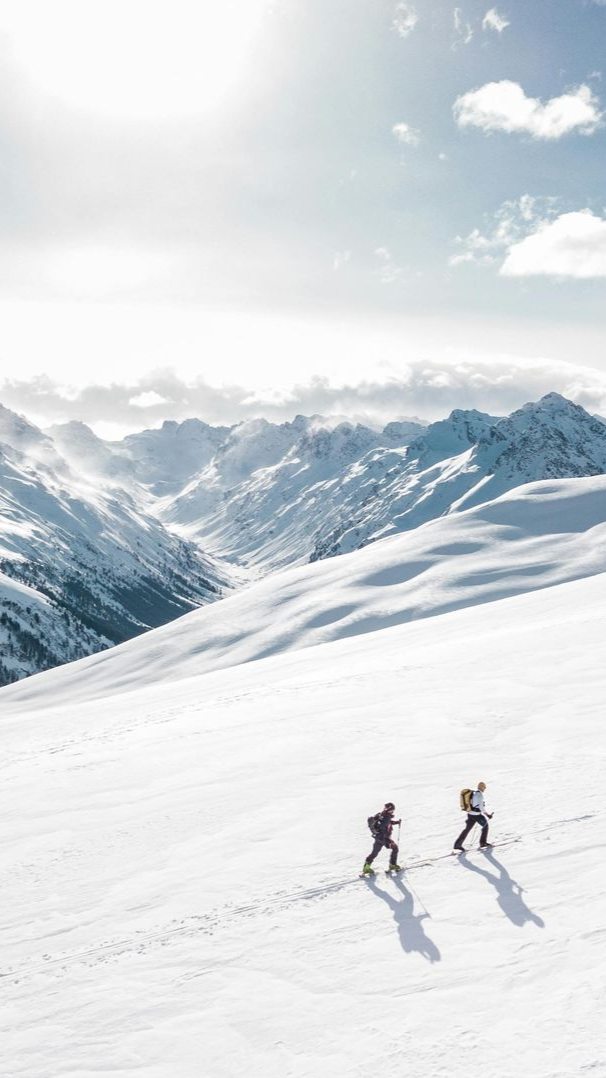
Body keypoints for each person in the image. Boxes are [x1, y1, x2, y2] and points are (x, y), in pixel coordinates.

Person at [362, 802, 402, 874]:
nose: (393, 811)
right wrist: (387, 839)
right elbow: (384, 825)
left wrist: (396, 822)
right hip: (384, 838)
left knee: (374, 853)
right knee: (395, 848)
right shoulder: (387, 817)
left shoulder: (381, 814)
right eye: (392, 810)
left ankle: (366, 868)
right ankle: (392, 865)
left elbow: (386, 823)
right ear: (389, 810)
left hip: (378, 838)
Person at [454, 781, 493, 851]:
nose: (484, 789)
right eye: (484, 787)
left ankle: (457, 844)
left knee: (467, 829)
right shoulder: (480, 795)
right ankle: (483, 842)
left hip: (470, 814)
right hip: (476, 815)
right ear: (482, 787)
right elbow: (481, 807)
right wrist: (488, 815)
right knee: (485, 826)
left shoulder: (474, 793)